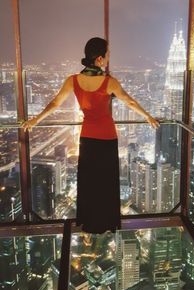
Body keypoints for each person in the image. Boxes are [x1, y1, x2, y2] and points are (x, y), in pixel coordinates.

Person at [22, 37, 160, 234]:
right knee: (105, 182)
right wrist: (147, 116)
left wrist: (36, 119)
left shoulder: (73, 80)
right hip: (107, 138)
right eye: (108, 54)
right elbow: (129, 102)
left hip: (87, 138)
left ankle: (89, 222)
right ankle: (106, 222)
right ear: (100, 59)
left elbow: (55, 103)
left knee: (89, 181)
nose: (108, 58)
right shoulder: (109, 82)